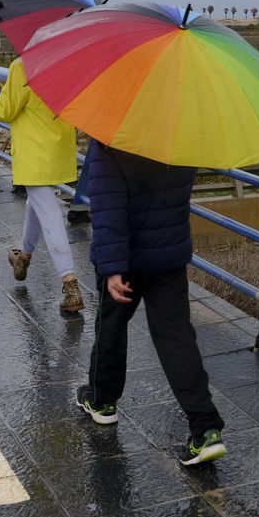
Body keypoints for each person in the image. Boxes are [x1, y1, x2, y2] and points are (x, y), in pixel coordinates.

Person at [75, 140, 227, 466]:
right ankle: (206, 428)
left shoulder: (111, 136)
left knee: (110, 330)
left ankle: (101, 401)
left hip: (125, 260)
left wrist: (113, 266)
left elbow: (109, 205)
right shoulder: (181, 131)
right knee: (177, 339)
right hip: (168, 257)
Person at [0, 62, 84, 313]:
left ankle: (70, 284)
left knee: (50, 215)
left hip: (34, 152)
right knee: (37, 203)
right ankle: (23, 258)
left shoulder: (24, 66)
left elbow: (5, 111)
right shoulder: (67, 61)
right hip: (59, 148)